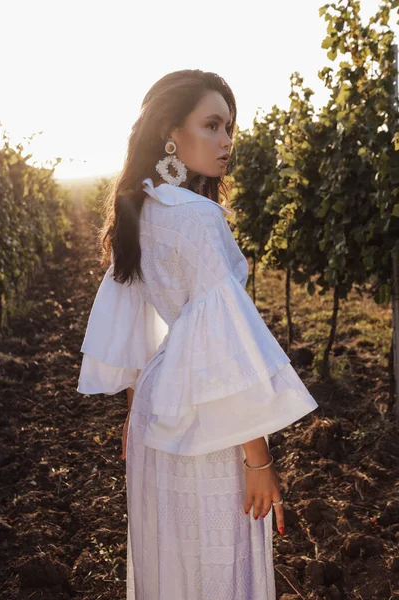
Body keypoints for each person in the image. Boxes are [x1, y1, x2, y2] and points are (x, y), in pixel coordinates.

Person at [76, 69, 319, 600]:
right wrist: (259, 460)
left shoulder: (140, 207)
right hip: (207, 428)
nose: (227, 140)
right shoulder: (199, 218)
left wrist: (135, 407)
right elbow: (223, 348)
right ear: (171, 131)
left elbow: (141, 325)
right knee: (217, 566)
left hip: (156, 417)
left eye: (229, 126)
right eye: (212, 124)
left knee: (171, 561)